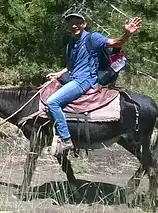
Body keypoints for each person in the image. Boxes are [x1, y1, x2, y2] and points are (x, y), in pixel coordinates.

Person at [45, 11, 143, 156]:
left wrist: (127, 33)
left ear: (84, 24)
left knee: (52, 102)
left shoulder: (93, 38)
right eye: (70, 23)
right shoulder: (71, 44)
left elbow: (116, 43)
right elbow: (71, 66)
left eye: (77, 22)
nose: (74, 25)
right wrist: (58, 74)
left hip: (84, 81)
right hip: (74, 77)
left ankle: (66, 139)